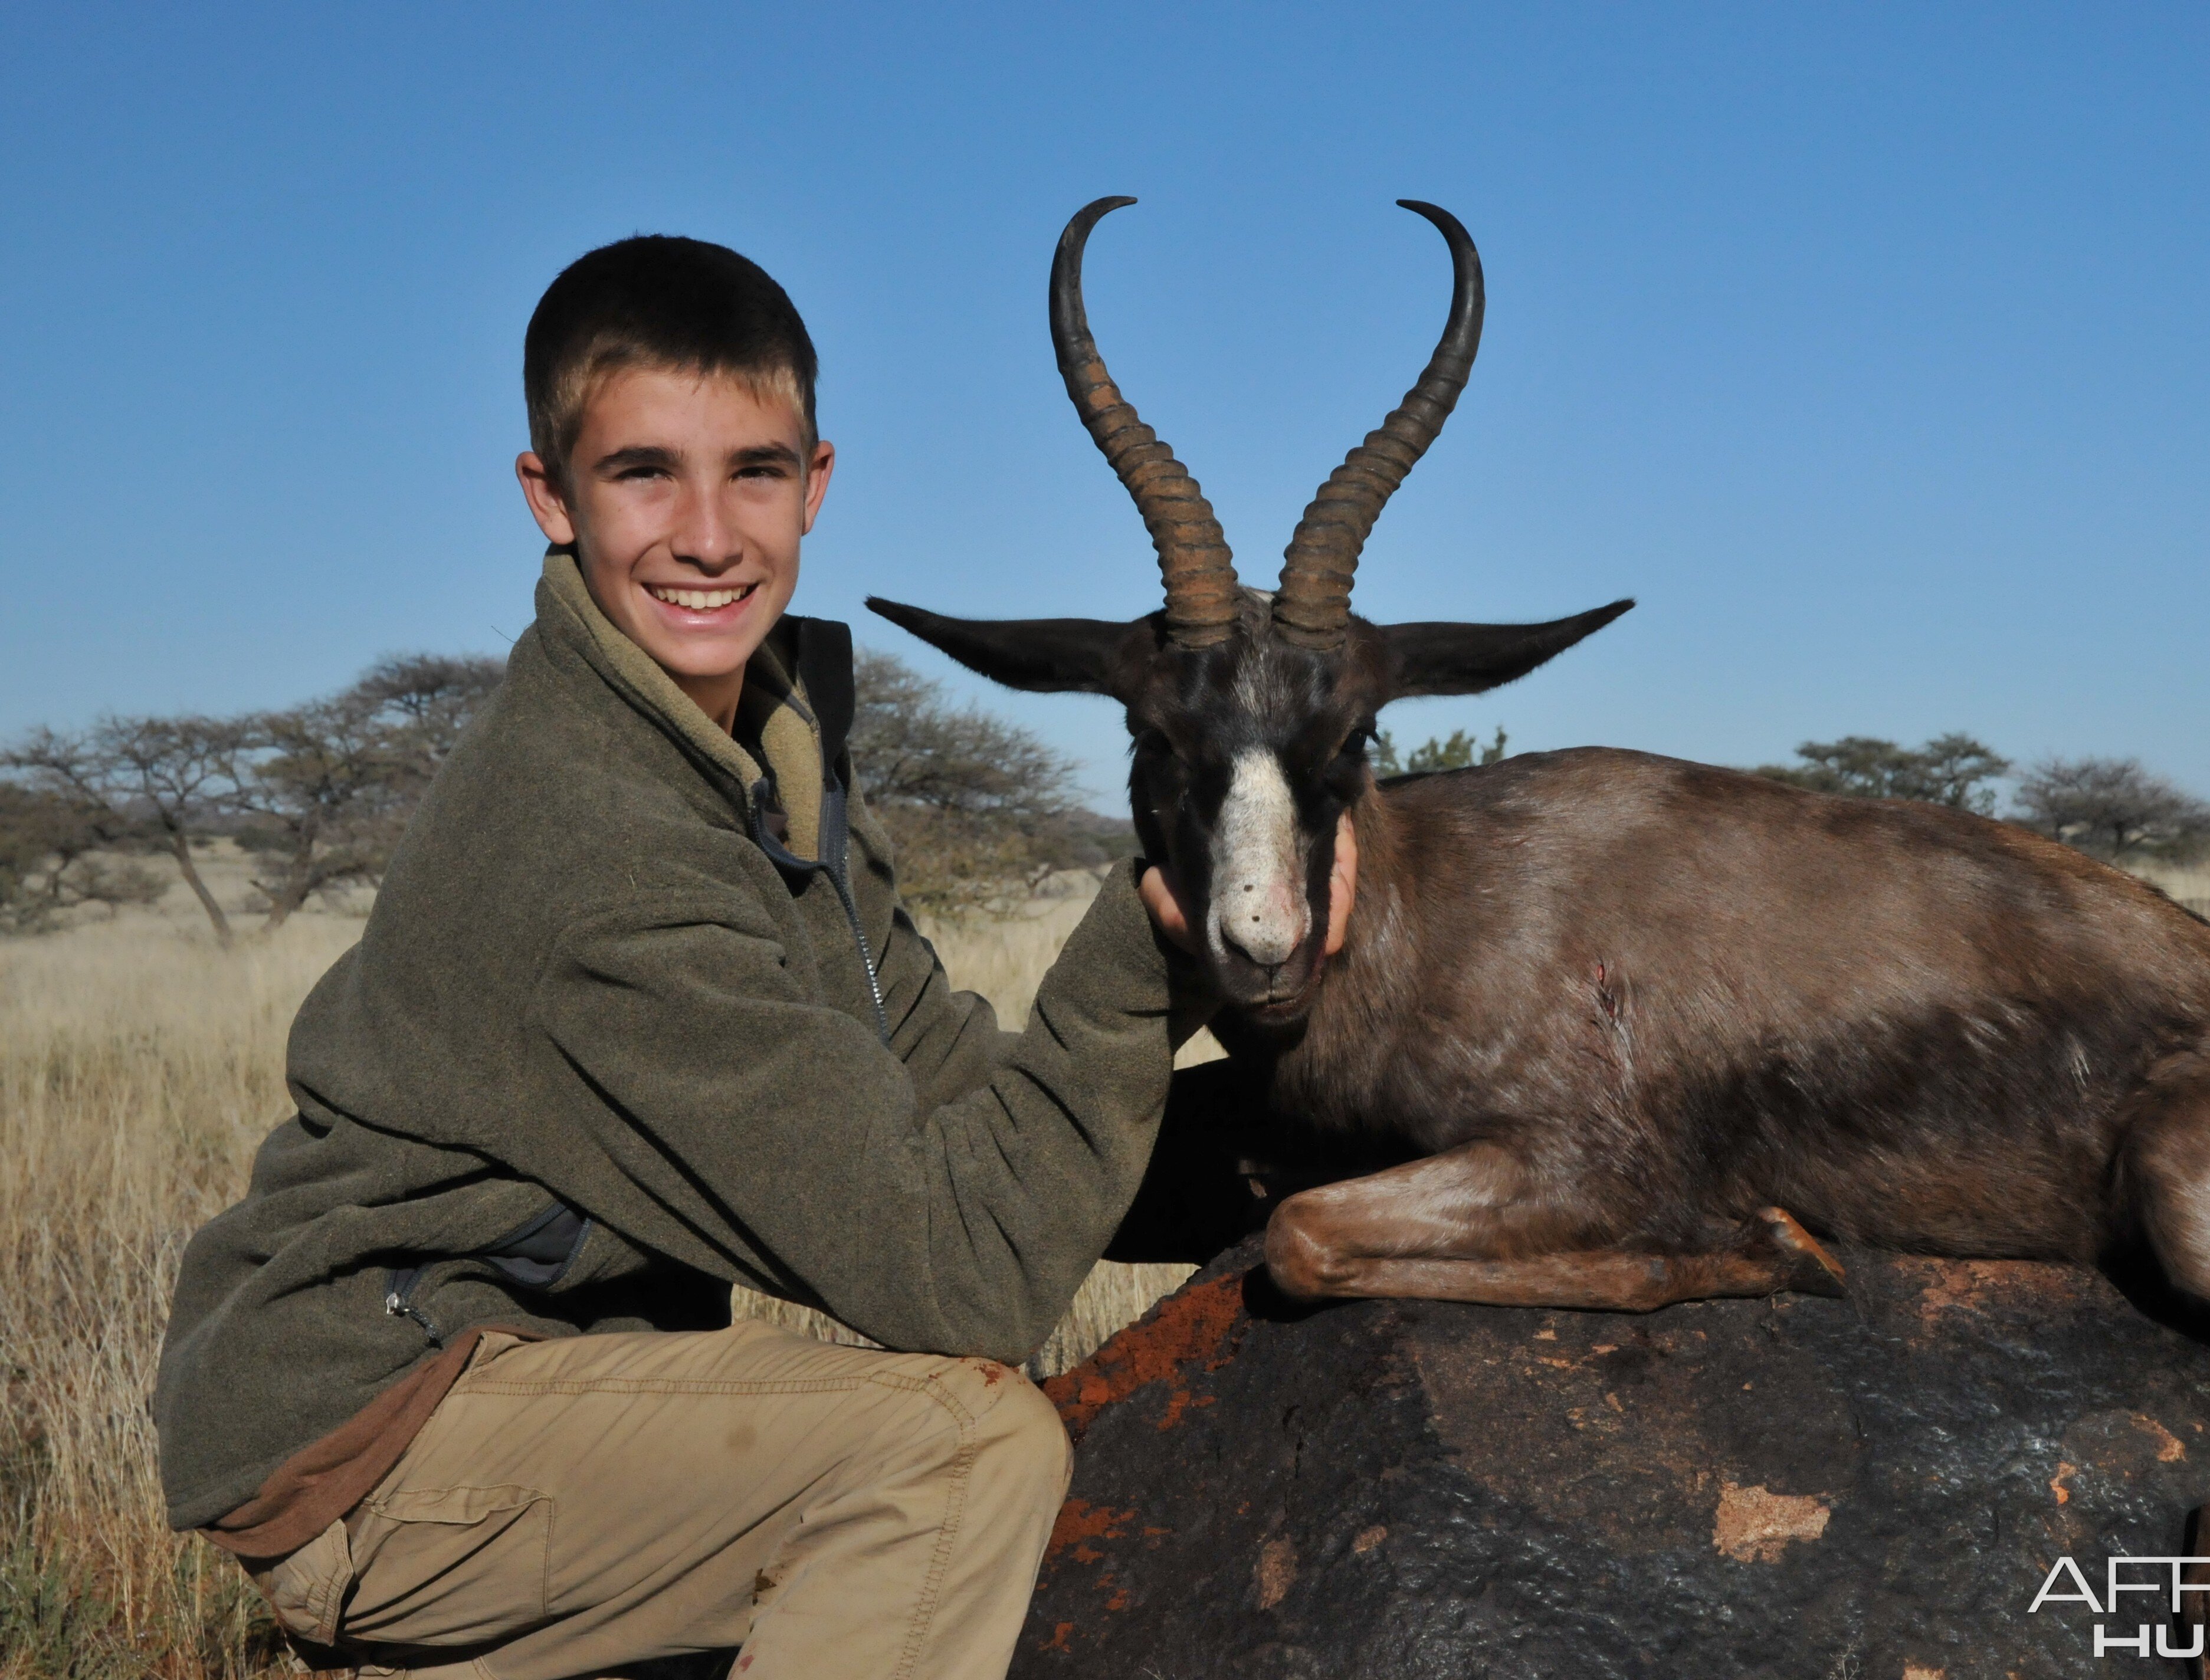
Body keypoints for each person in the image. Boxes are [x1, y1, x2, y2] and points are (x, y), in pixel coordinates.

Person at [153, 234, 1341, 1680]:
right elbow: (955, 1274)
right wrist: (1153, 942)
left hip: (525, 1373)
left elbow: (963, 1106)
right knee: (959, 1447)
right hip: (383, 1434)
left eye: (755, 471)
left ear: (816, 484)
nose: (708, 535)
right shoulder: (596, 839)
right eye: (645, 471)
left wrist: (1328, 1136)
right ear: (551, 497)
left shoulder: (766, 749)